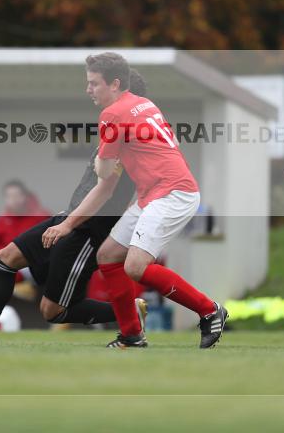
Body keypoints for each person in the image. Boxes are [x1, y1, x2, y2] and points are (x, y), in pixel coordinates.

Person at [0, 69, 150, 345]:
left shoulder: (130, 136)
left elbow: (107, 191)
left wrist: (72, 224)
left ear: (118, 89)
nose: (90, 90)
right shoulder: (114, 126)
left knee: (52, 311)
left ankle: (129, 314)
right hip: (68, 219)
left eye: (96, 84)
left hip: (86, 232)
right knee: (5, 258)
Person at [92, 52, 227, 350]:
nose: (89, 90)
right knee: (109, 256)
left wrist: (102, 163)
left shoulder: (112, 114)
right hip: (156, 193)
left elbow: (103, 172)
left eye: (94, 84)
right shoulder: (145, 104)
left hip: (171, 192)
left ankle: (209, 310)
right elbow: (174, 144)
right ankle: (131, 335)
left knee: (136, 266)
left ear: (114, 84)